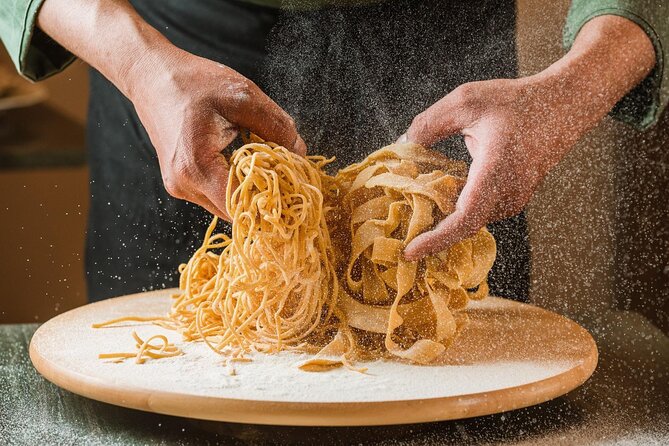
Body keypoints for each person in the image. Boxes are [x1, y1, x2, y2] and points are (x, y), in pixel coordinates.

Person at [0, 0, 665, 303]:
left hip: (448, 59)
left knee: (452, 398)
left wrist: (573, 88)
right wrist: (140, 65)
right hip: (166, 48)